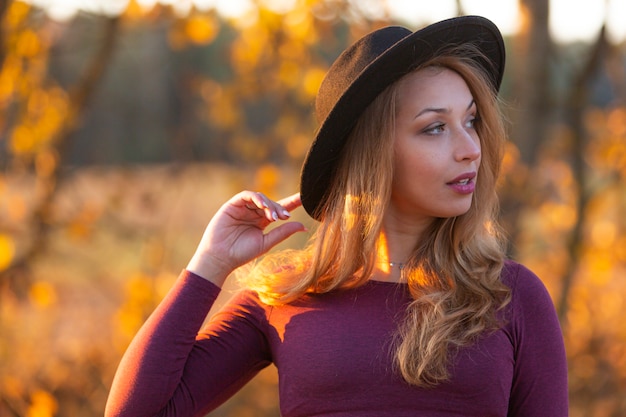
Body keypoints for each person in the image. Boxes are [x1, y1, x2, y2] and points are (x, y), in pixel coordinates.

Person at [105, 15, 568, 417]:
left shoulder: (510, 295)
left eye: (471, 122)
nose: (471, 150)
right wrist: (210, 264)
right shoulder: (286, 295)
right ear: (371, 153)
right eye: (434, 128)